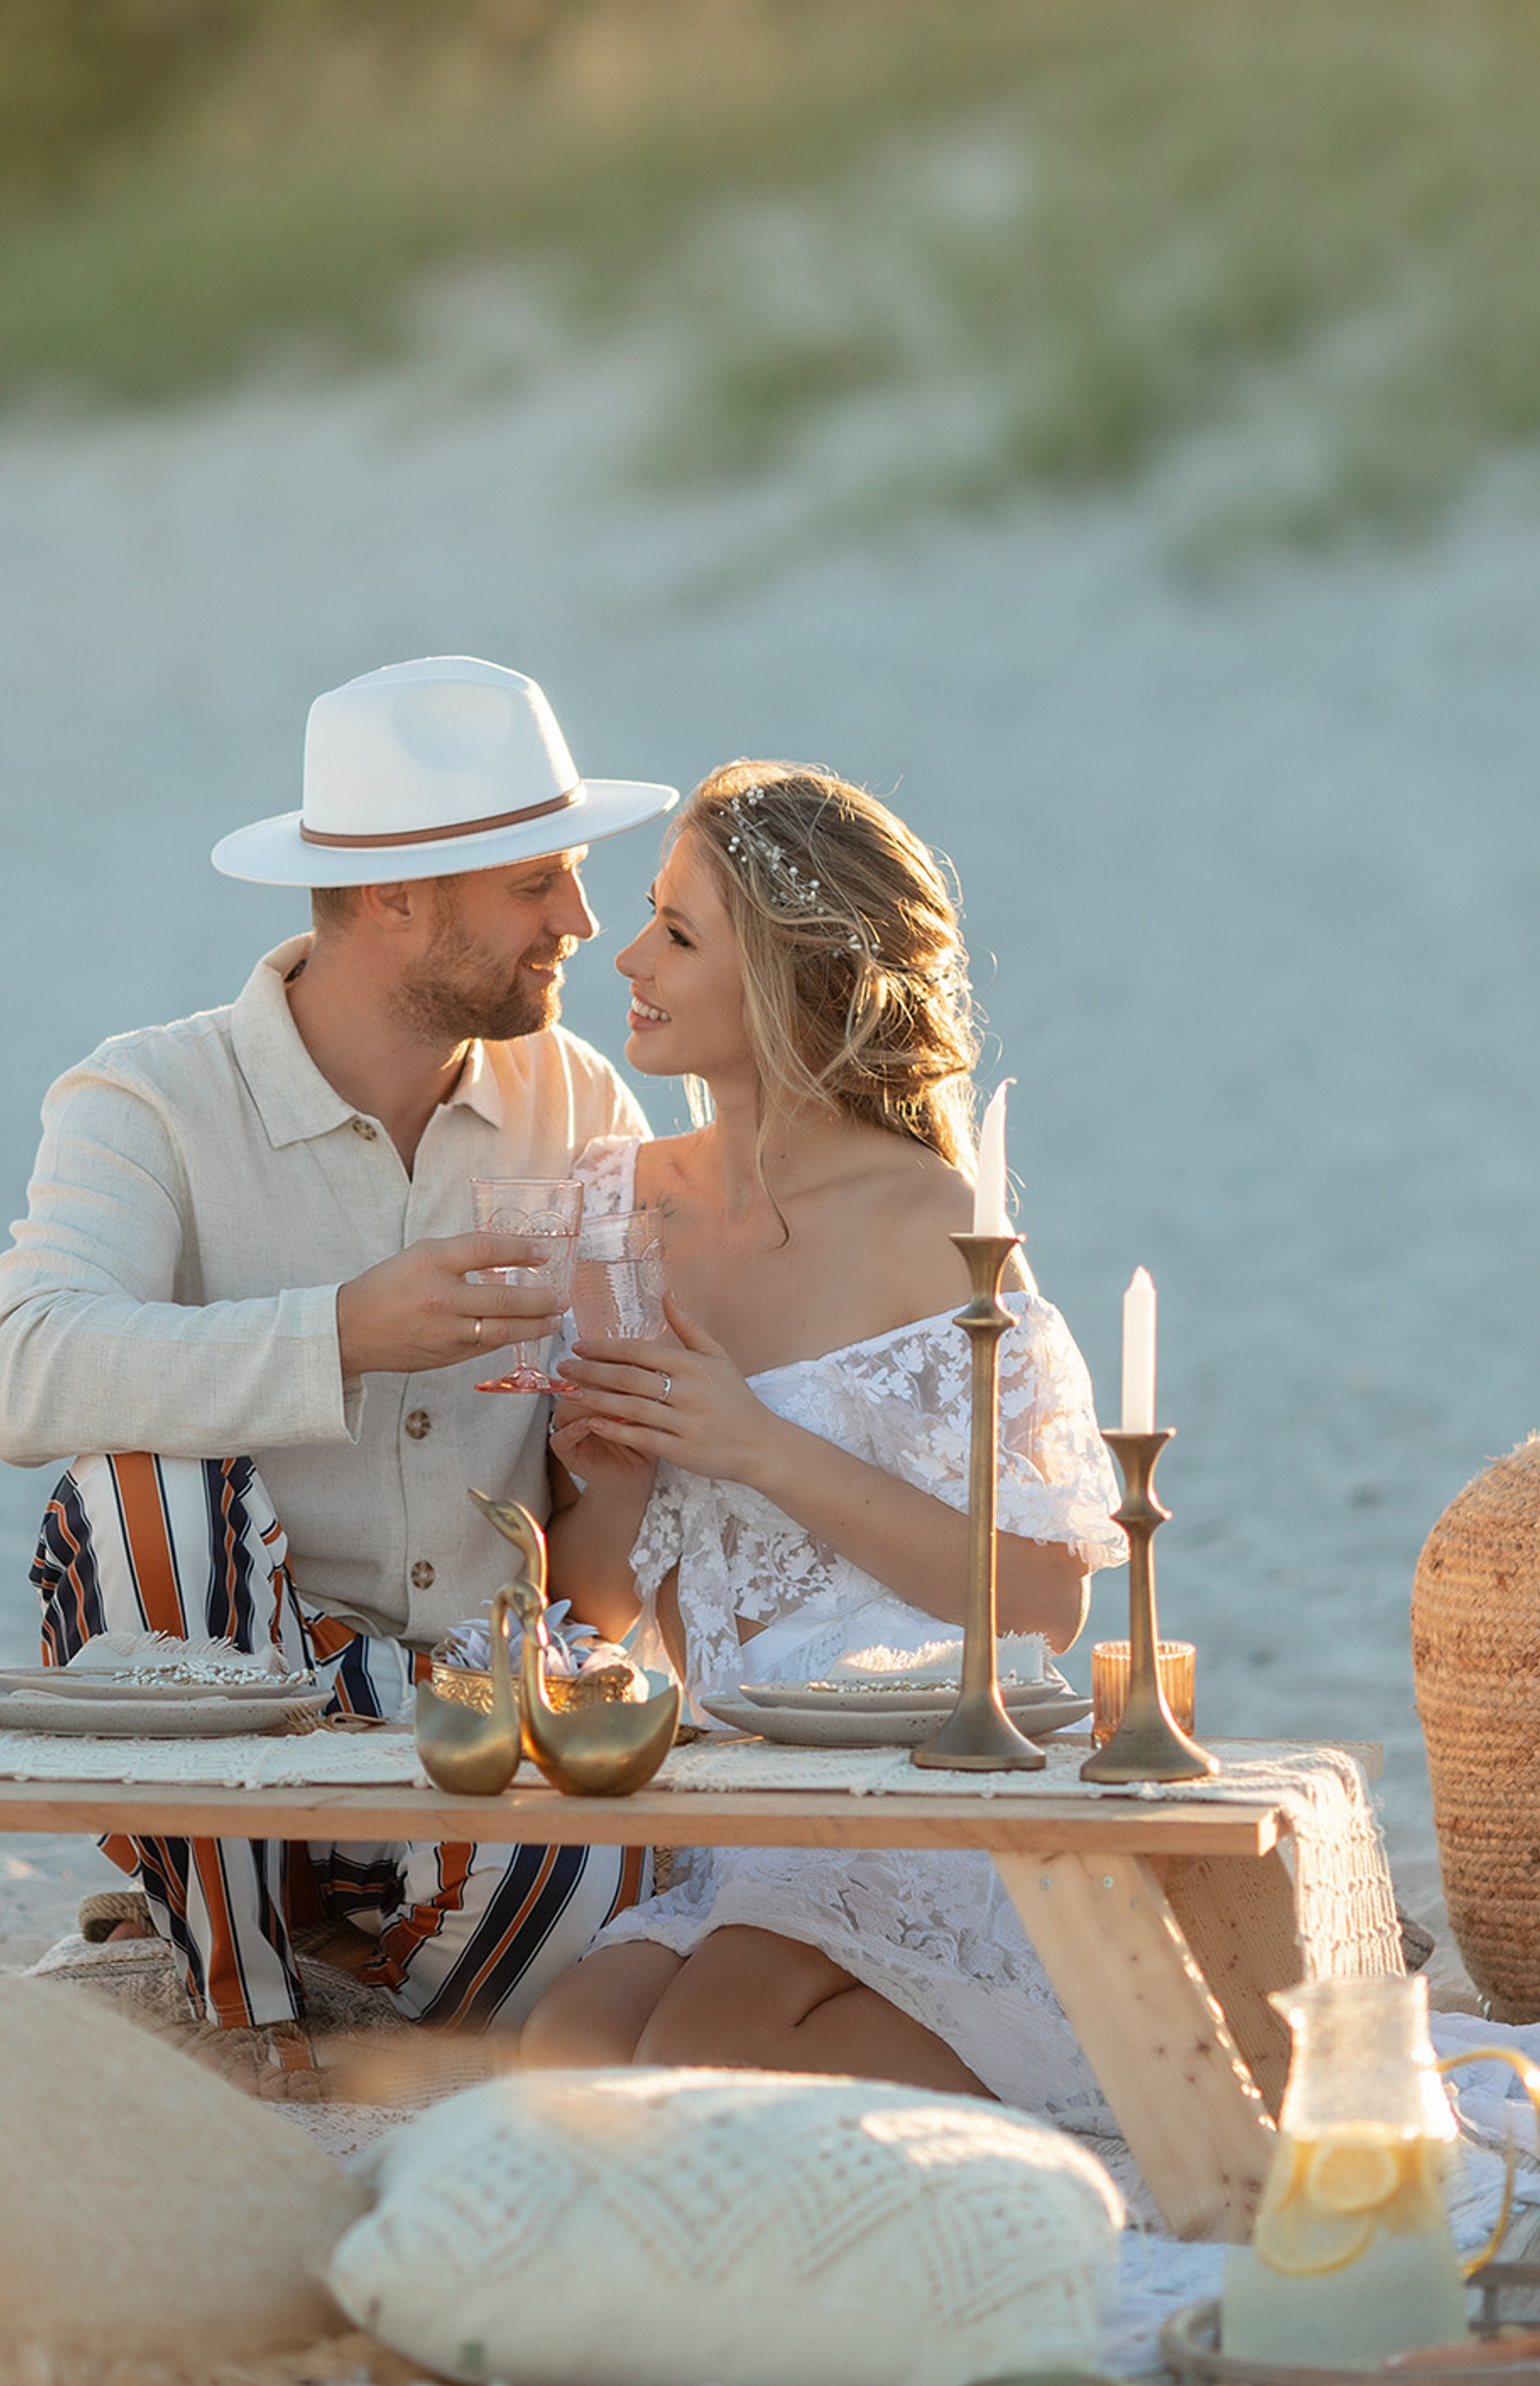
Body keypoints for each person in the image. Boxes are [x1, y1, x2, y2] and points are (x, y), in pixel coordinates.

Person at [0, 655, 675, 2093]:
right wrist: (342, 1331)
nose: (583, 924)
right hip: (233, 1666)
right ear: (398, 896)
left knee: (597, 1881)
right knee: (138, 1486)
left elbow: (617, 1453)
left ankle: (311, 1941)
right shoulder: (147, 1096)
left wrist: (625, 1429)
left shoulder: (581, 1098)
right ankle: (242, 1978)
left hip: (472, 1696)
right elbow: (20, 1374)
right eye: (538, 882)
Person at [520, 758, 1128, 2122]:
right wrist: (613, 1486)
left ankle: (1084, 2055)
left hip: (920, 1788)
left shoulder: (933, 1221)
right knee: (565, 2054)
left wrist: (759, 1444)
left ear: (795, 982)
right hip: (736, 1808)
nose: (626, 955)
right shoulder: (611, 1207)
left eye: (677, 933)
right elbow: (604, 1607)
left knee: (695, 2065)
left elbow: (1045, 1598)